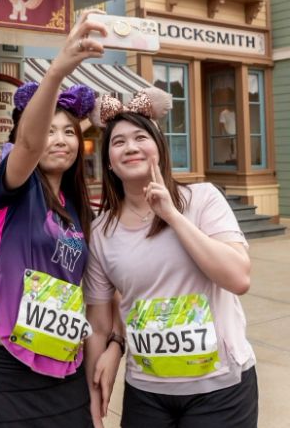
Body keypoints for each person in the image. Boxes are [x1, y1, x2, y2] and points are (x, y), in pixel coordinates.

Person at [0, 10, 109, 428]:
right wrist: (56, 72)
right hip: (0, 369)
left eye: (69, 132)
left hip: (60, 365)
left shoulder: (77, 208)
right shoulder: (14, 184)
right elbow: (28, 145)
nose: (60, 139)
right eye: (49, 130)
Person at [83, 95, 258, 428]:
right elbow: (99, 324)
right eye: (118, 142)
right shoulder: (101, 231)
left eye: (140, 137)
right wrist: (92, 397)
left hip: (220, 389)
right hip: (147, 393)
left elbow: (238, 278)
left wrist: (172, 216)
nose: (130, 147)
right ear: (109, 162)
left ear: (159, 148)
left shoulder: (202, 199)